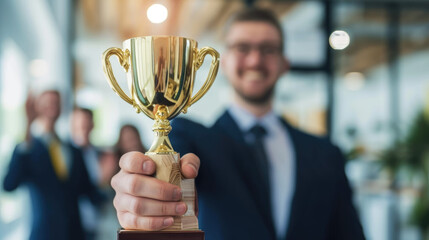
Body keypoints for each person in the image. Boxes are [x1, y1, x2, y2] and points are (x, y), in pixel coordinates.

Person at [110, 8, 366, 240]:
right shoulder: (191, 139)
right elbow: (171, 177)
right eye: (243, 48)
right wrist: (141, 195)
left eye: (268, 49)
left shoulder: (326, 154)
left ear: (284, 64)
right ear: (224, 63)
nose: (255, 60)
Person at [3, 90, 100, 240]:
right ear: (37, 107)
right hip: (44, 233)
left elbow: (88, 191)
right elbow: (9, 185)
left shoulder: (73, 150)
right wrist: (27, 126)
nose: (52, 106)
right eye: (47, 102)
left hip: (75, 233)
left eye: (56, 102)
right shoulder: (28, 148)